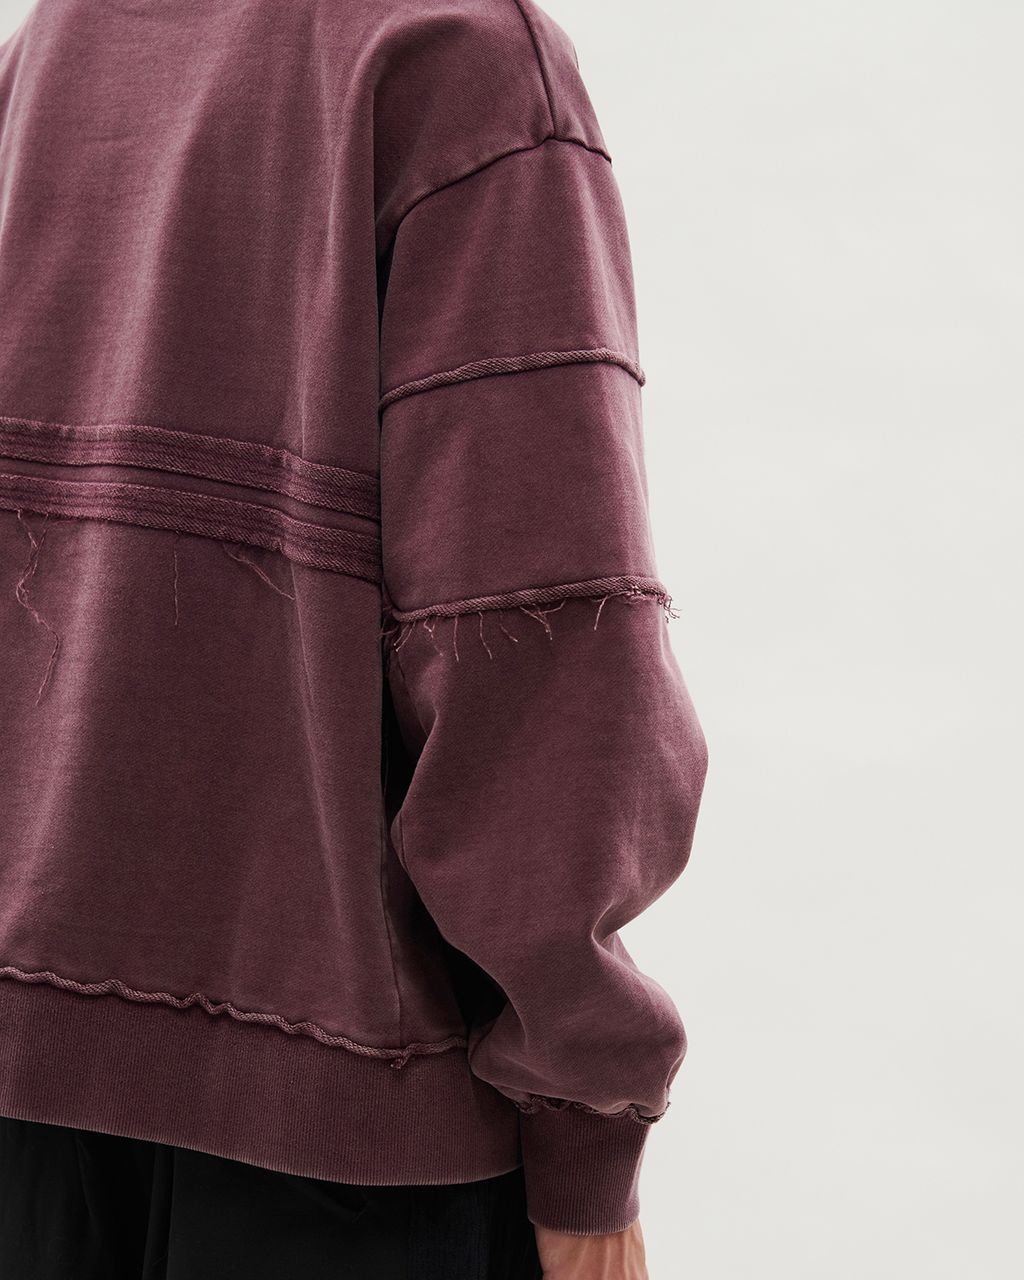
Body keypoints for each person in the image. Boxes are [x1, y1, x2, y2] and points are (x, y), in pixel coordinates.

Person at [0, 1, 709, 1277]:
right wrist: (587, 1131)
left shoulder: (66, 35)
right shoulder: (462, 58)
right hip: (344, 1146)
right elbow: (536, 661)